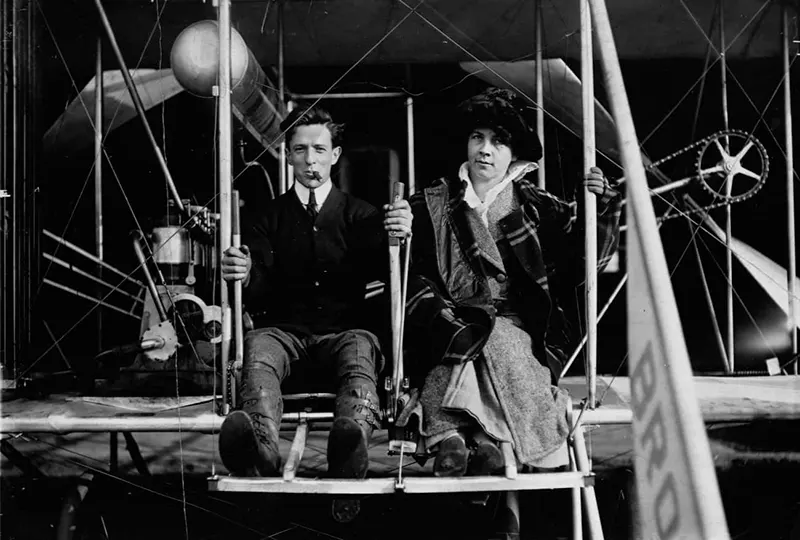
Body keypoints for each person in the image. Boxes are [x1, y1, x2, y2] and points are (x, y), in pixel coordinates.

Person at [399, 87, 621, 476]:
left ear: (513, 154)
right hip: (449, 323)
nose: (485, 149)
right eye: (477, 138)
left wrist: (598, 209)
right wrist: (397, 230)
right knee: (467, 340)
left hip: (519, 325)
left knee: (493, 340)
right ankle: (488, 445)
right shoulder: (429, 204)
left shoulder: (537, 206)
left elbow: (586, 263)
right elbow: (411, 274)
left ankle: (453, 437)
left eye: (498, 142)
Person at [219, 104, 413, 479]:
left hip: (343, 334)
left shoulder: (364, 216)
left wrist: (401, 239)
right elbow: (257, 283)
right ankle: (260, 450)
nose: (311, 160)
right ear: (288, 154)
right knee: (258, 348)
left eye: (320, 150)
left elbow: (395, 276)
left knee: (360, 351)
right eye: (301, 150)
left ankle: (350, 446)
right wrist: (243, 276)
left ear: (335, 155)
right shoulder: (267, 218)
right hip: (283, 336)